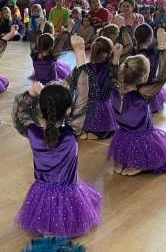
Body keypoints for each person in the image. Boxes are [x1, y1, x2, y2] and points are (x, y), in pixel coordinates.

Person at [12, 52, 101, 238]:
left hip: (42, 194)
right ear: (68, 110)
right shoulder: (72, 132)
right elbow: (83, 100)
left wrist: (30, 94)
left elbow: (20, 112)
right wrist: (80, 57)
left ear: (40, 108)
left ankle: (48, 228)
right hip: (69, 193)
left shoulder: (33, 133)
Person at [108, 28, 166, 175]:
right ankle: (139, 163)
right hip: (142, 138)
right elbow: (164, 75)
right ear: (143, 77)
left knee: (129, 138)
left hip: (123, 136)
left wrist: (116, 57)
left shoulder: (115, 87)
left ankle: (123, 162)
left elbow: (112, 74)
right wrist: (162, 46)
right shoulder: (143, 92)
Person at [70, 37, 118, 140]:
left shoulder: (85, 68)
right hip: (102, 115)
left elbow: (74, 86)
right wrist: (116, 56)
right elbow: (115, 79)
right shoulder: (110, 69)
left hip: (84, 109)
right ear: (109, 53)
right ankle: (92, 133)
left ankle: (85, 131)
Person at [132, 16, 166, 115]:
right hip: (150, 88)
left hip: (134, 89)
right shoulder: (153, 53)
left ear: (135, 37)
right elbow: (163, 71)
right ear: (151, 38)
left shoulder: (132, 52)